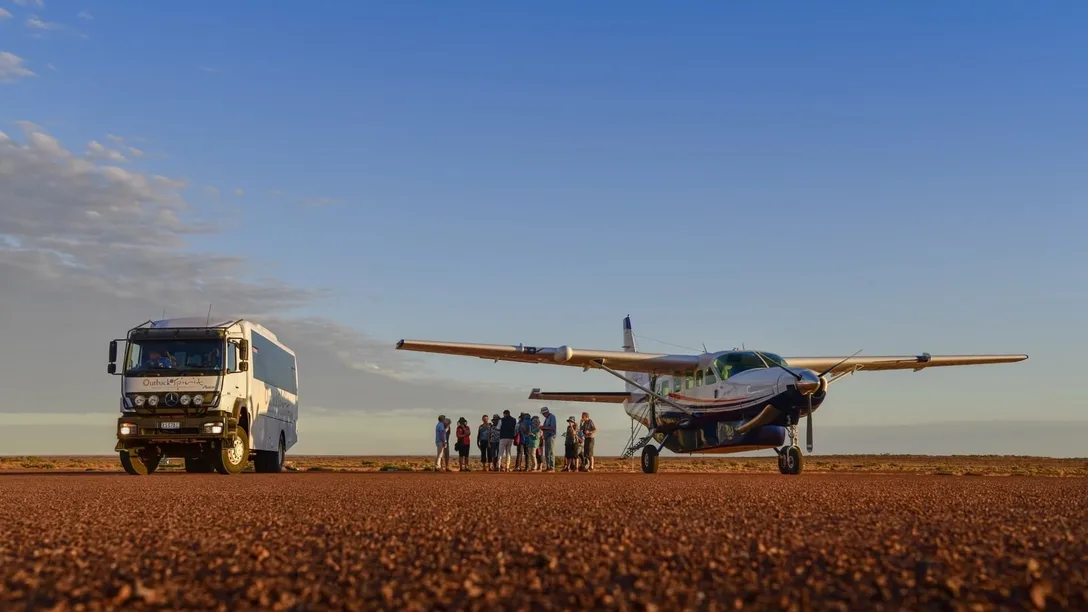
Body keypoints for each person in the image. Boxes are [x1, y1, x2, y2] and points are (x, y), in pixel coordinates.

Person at [540, 406, 557, 472]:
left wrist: (544, 427)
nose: (543, 415)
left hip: (551, 436)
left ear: (546, 412)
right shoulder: (547, 418)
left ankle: (552, 467)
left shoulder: (552, 417)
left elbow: (553, 428)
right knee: (547, 453)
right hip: (547, 437)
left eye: (543, 413)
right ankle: (548, 467)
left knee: (551, 452)